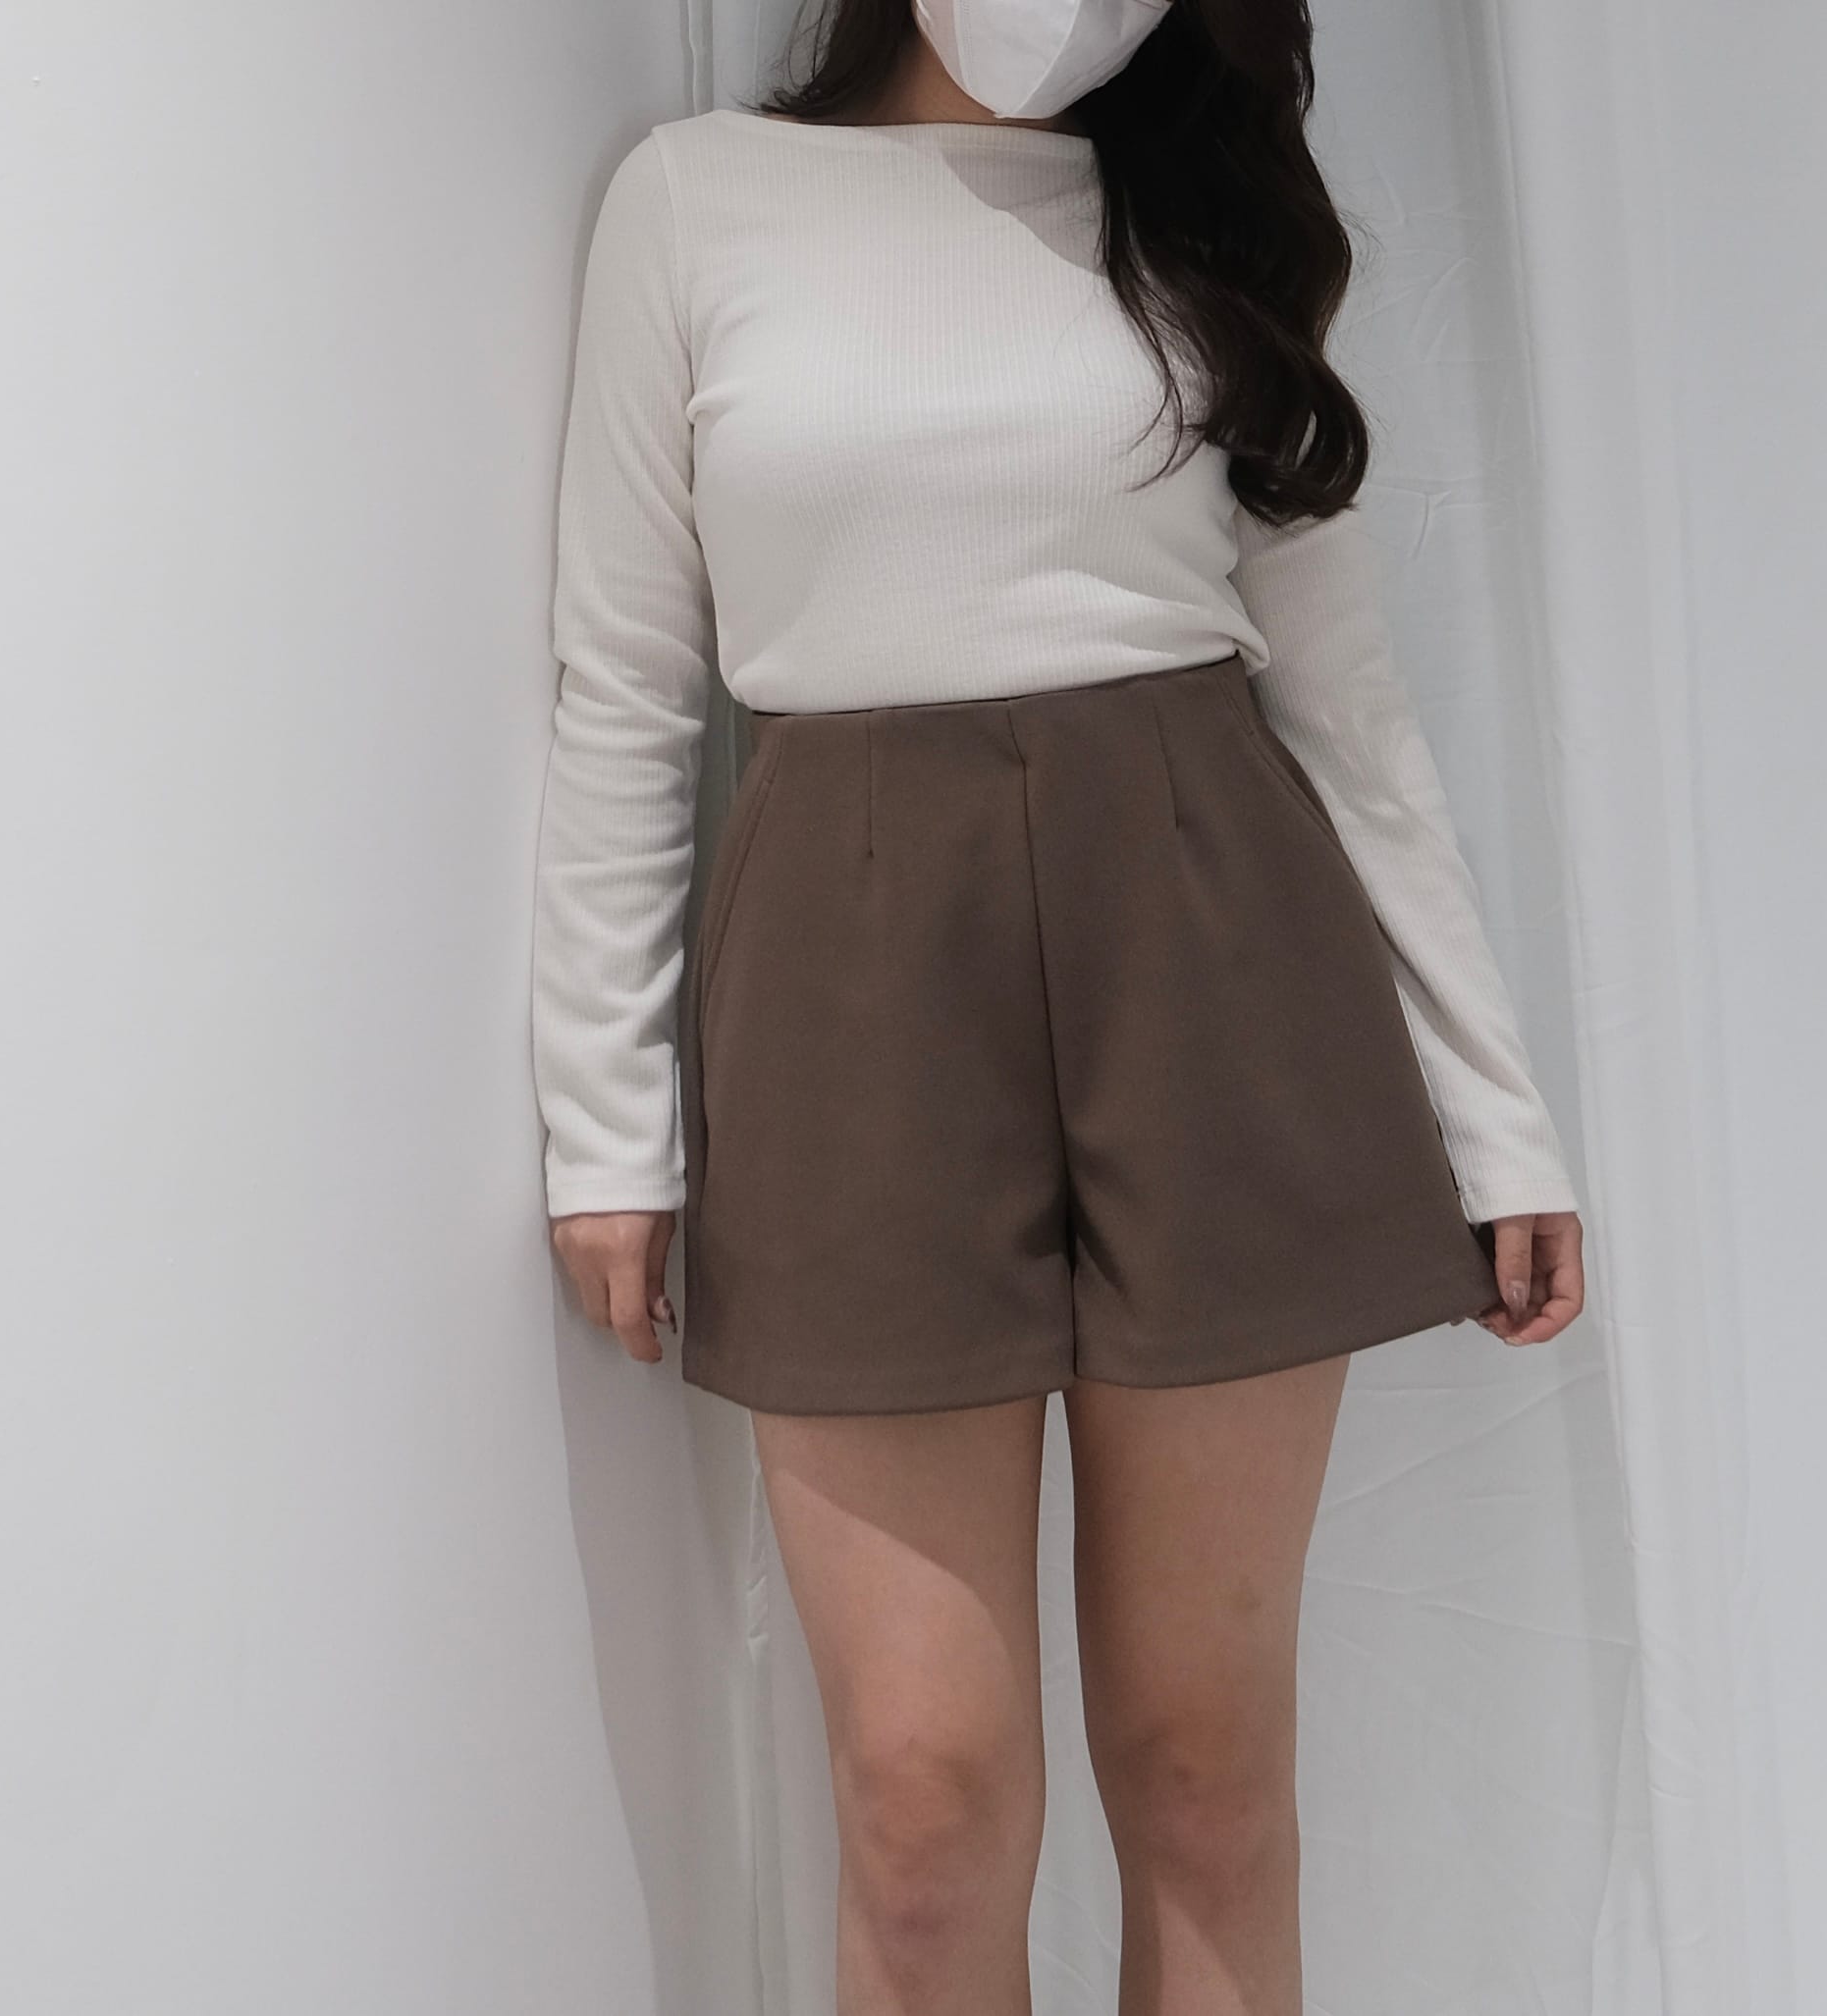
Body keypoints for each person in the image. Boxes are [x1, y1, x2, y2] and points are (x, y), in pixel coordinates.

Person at [532, 0, 1586, 2006]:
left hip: (1213, 950)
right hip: (846, 979)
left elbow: (1349, 711)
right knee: (919, 1800)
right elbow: (624, 683)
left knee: (1205, 1773)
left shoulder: (1199, 213)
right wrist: (607, 1122)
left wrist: (1494, 1106)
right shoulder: (699, 201)